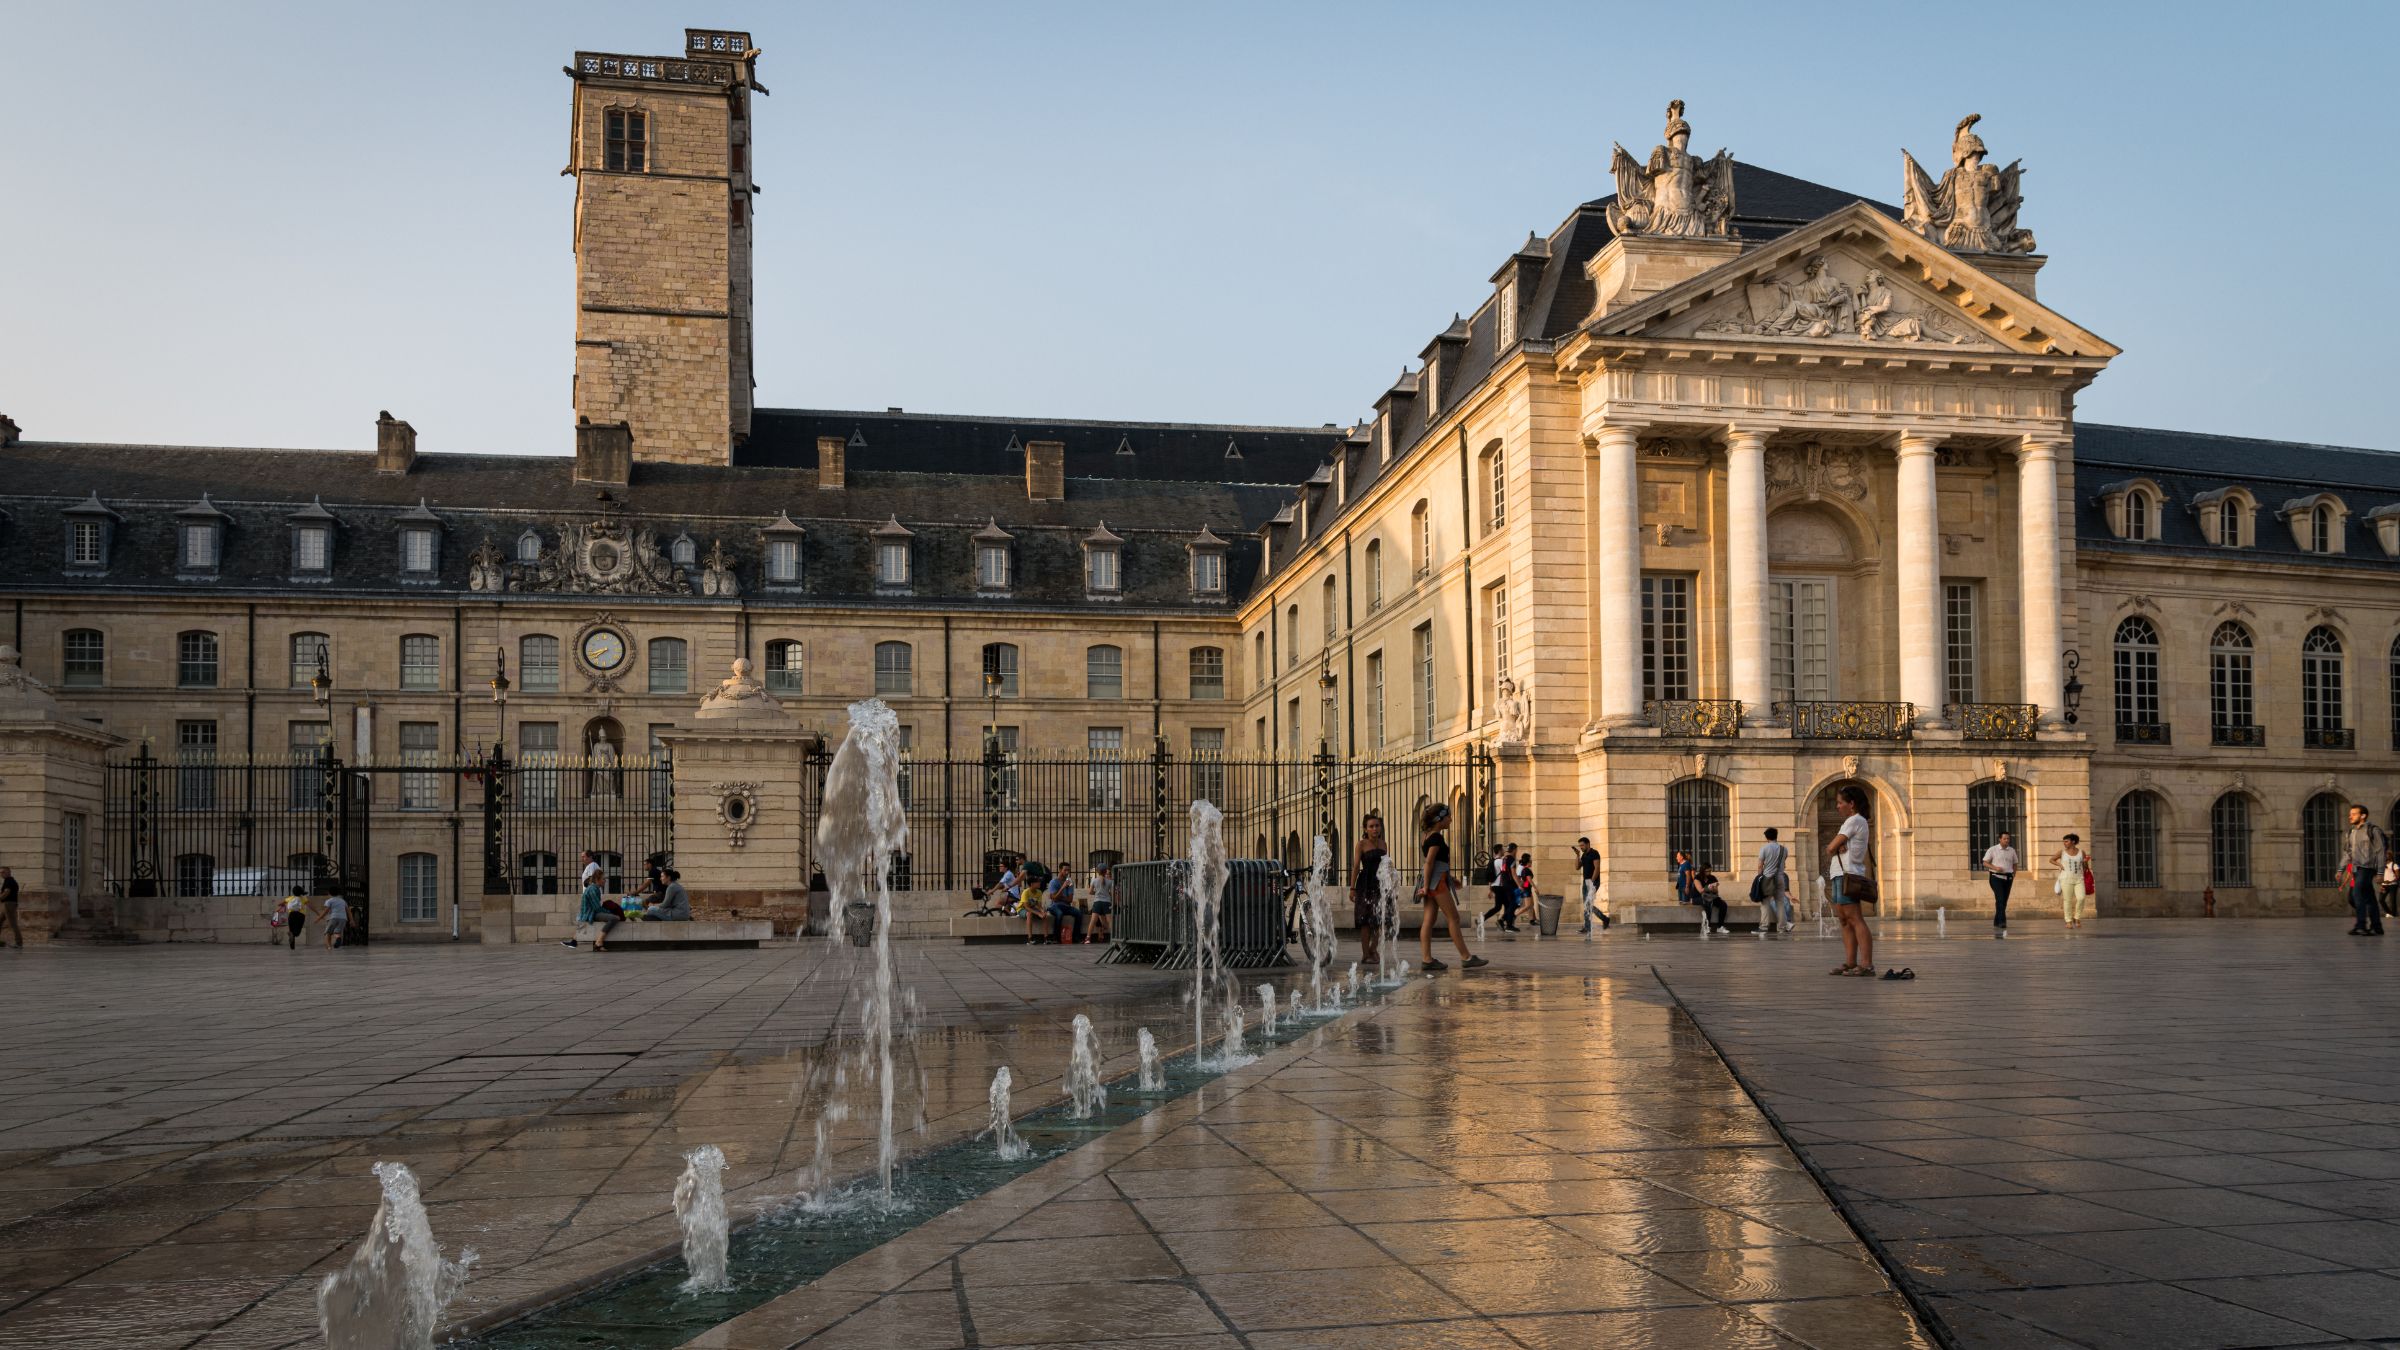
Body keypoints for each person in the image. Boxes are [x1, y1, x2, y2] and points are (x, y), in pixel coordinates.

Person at [1416, 804, 1487, 973]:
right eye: (1448, 816)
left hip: (1435, 879)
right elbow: (1429, 863)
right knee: (1453, 918)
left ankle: (1427, 960)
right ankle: (1466, 957)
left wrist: (1451, 878)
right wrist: (1426, 887)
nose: (1451, 819)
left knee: (1428, 921)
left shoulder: (1426, 836)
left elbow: (1436, 863)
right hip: (1436, 883)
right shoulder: (1436, 838)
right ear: (1439, 819)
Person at [1825, 786, 1875, 976]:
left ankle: (1867, 964)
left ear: (1851, 804)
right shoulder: (1853, 822)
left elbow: (1830, 847)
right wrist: (1838, 846)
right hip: (1840, 874)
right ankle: (1851, 962)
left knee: (1855, 918)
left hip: (1849, 875)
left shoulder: (1854, 820)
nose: (1837, 806)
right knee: (1844, 920)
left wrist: (1837, 846)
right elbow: (1834, 847)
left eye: (1840, 803)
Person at [2345, 804, 2388, 937]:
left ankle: (2361, 925)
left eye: (2353, 814)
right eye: (2349, 814)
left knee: (2356, 894)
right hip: (2357, 869)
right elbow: (2348, 852)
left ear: (2363, 815)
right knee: (2369, 898)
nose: (2350, 816)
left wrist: (2380, 873)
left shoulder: (2373, 830)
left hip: (2367, 868)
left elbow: (2381, 852)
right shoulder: (2352, 831)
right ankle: (2377, 927)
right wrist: (2342, 868)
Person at [1353, 813, 1388, 966]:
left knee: (1381, 919)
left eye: (1377, 825)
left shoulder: (1383, 844)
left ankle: (1373, 949)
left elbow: (1387, 866)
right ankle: (1366, 954)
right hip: (1365, 884)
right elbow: (1355, 867)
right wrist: (1352, 888)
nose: (1375, 829)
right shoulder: (1361, 844)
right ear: (1365, 829)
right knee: (1365, 921)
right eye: (1371, 826)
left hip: (1380, 884)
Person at [1753, 829, 1793, 933]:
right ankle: (1782, 927)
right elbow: (1783, 864)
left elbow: (1760, 865)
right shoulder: (1784, 849)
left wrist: (1759, 877)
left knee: (1765, 903)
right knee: (1780, 903)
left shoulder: (1764, 848)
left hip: (1767, 879)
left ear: (1766, 837)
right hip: (1780, 878)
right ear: (1776, 836)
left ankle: (1764, 927)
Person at [1982, 831, 2020, 938]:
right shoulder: (1993, 849)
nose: (2007, 840)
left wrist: (2013, 874)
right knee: (2000, 898)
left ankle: (1996, 921)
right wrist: (1995, 868)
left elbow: (2015, 863)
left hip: (2008, 877)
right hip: (1995, 877)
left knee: (2004, 901)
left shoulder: (2011, 850)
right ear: (2000, 839)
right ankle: (2002, 922)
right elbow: (1985, 862)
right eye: (2005, 839)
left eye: (2008, 839)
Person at [2053, 833, 2092, 929]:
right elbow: (2052, 859)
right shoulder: (2062, 852)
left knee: (2081, 898)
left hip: (2079, 879)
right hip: (2065, 879)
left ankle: (2077, 917)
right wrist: (2060, 865)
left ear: (2073, 842)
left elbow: (2085, 867)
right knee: (2067, 900)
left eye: (2066, 841)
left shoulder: (2081, 852)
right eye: (2064, 842)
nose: (2064, 843)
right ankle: (2068, 921)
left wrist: (2086, 863)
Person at [1574, 837, 1611, 933]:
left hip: (1593, 882)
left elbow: (1597, 868)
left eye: (1582, 845)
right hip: (1585, 882)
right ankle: (1603, 920)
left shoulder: (1594, 853)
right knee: (1587, 904)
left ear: (1588, 844)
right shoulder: (1584, 855)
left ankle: (1589, 926)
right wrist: (1577, 855)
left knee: (1588, 903)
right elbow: (1577, 867)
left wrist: (1592, 882)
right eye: (1580, 846)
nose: (1581, 847)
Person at [565, 873, 606, 948]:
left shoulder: (592, 889)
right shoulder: (592, 889)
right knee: (583, 925)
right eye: (603, 879)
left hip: (587, 912)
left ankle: (574, 942)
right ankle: (574, 942)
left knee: (582, 925)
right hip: (588, 912)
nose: (605, 881)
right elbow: (596, 905)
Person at [1483, 846, 1517, 932]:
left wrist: (1490, 889)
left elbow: (1491, 877)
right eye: (1502, 849)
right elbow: (1508, 873)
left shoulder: (1492, 861)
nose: (1504, 851)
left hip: (1495, 886)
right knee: (1504, 906)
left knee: (1505, 905)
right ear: (1499, 851)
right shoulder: (1501, 862)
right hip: (1500, 887)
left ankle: (1504, 922)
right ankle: (1504, 923)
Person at [1692, 861, 1728, 933]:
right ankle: (1707, 926)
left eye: (1710, 871)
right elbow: (1700, 890)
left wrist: (1714, 888)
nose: (1709, 873)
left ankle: (1720, 927)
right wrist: (1708, 887)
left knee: (1723, 904)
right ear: (1703, 871)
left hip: (1710, 896)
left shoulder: (1712, 878)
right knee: (1708, 903)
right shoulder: (1697, 878)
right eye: (1707, 871)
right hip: (1698, 897)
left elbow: (1716, 892)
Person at [1088, 864, 1116, 944]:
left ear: (1097, 871)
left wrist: (1097, 892)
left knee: (1093, 920)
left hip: (1097, 902)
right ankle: (1113, 938)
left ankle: (1088, 938)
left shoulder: (1094, 880)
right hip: (1107, 902)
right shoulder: (1110, 882)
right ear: (1105, 871)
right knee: (1109, 921)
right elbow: (1112, 894)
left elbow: (1090, 892)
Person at [279, 886, 310, 951]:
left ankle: (292, 947)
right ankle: (292, 935)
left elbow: (280, 904)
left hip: (291, 915)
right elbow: (310, 906)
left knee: (291, 931)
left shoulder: (289, 898)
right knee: (297, 932)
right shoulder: (303, 898)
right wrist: (317, 913)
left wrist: (282, 905)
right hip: (300, 915)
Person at [0, 865, 19, 948]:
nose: (1, 874)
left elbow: (6, 892)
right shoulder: (7, 880)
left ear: (9, 872)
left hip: (9, 904)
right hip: (6, 904)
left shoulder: (9, 881)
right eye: (0, 872)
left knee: (13, 924)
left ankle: (18, 943)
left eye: (3, 872)